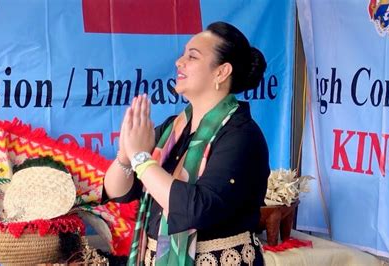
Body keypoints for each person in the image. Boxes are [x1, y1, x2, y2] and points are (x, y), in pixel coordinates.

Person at [103, 21, 270, 266]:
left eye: (192, 56)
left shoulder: (242, 136)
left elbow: (195, 209)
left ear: (221, 72)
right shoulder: (173, 129)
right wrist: (126, 155)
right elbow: (119, 193)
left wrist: (141, 158)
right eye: (183, 55)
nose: (178, 62)